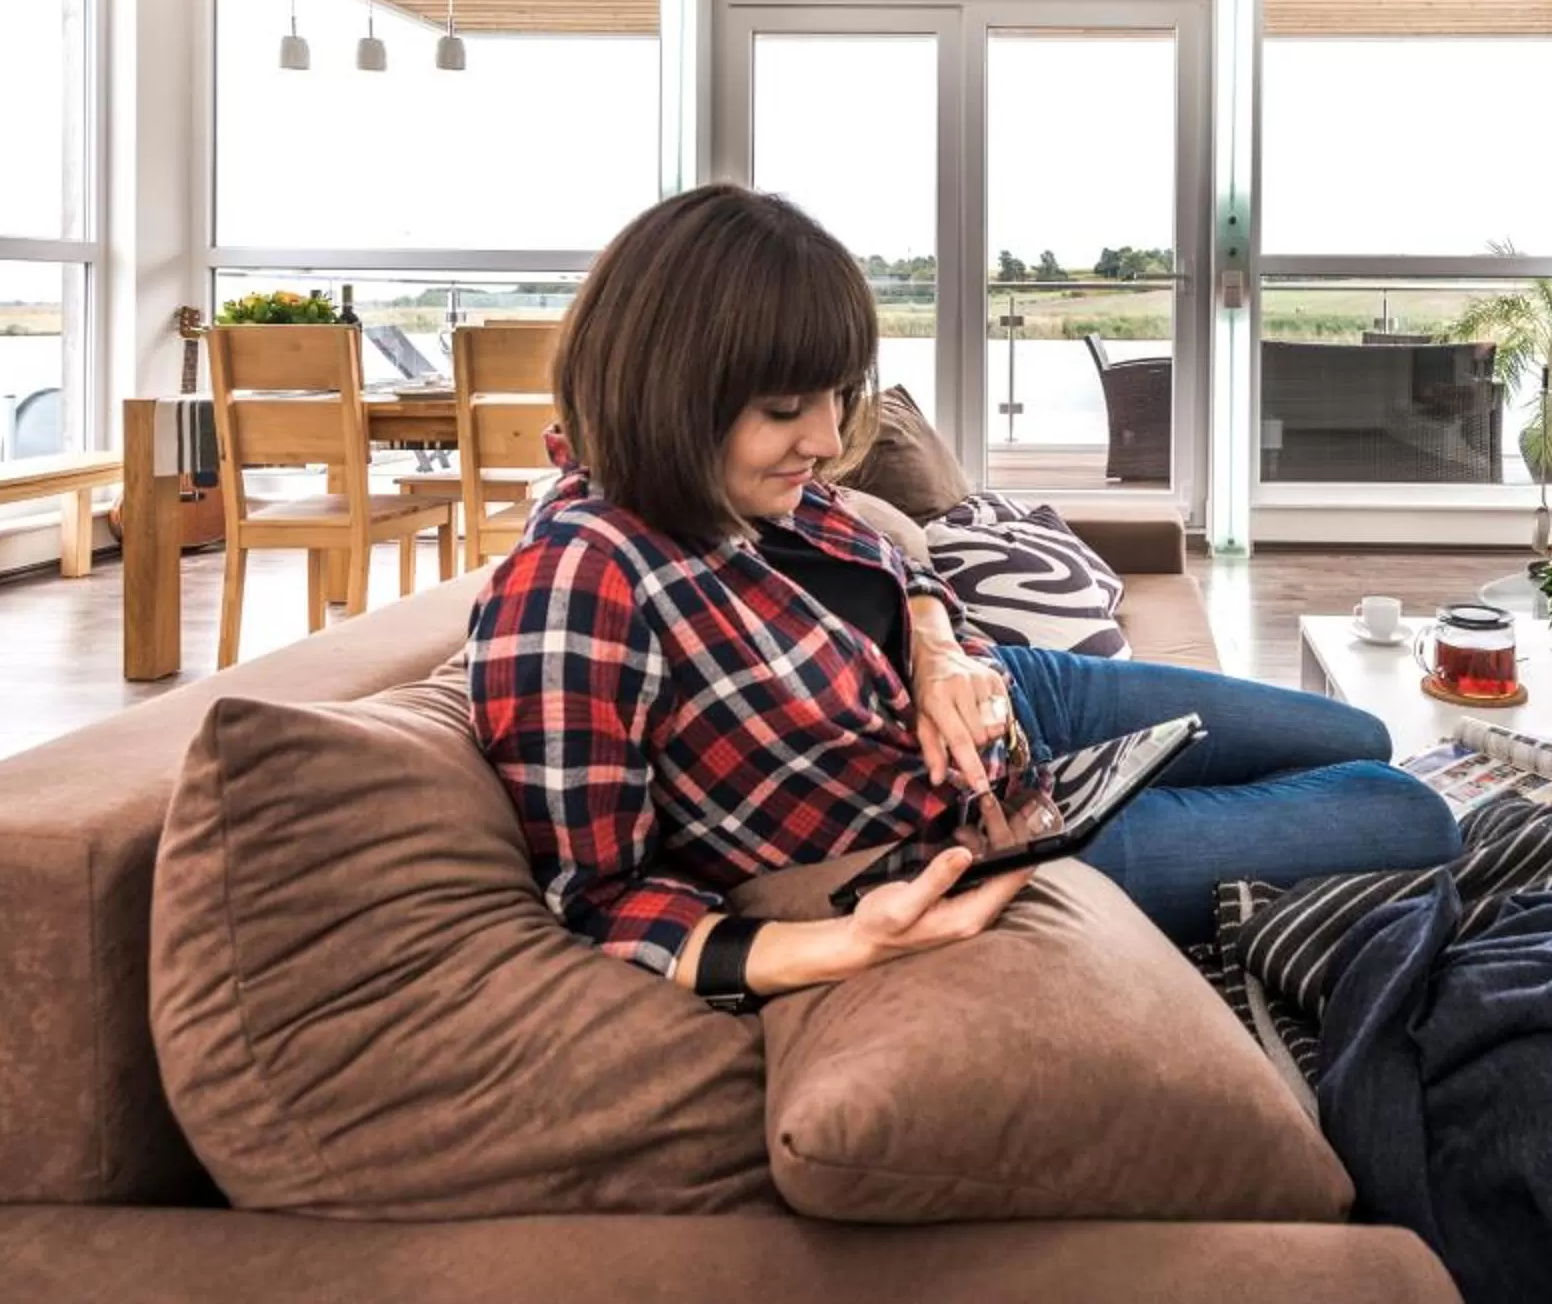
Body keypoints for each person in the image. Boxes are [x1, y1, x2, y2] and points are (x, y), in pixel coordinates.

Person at [465, 183, 1459, 1011]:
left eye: (835, 397)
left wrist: (937, 646)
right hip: (970, 832)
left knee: (1358, 733)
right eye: (784, 409)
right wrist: (833, 946)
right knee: (1404, 810)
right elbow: (596, 901)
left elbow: (896, 560)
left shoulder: (740, 484)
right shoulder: (578, 585)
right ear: (669, 388)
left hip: (1016, 694)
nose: (821, 440)